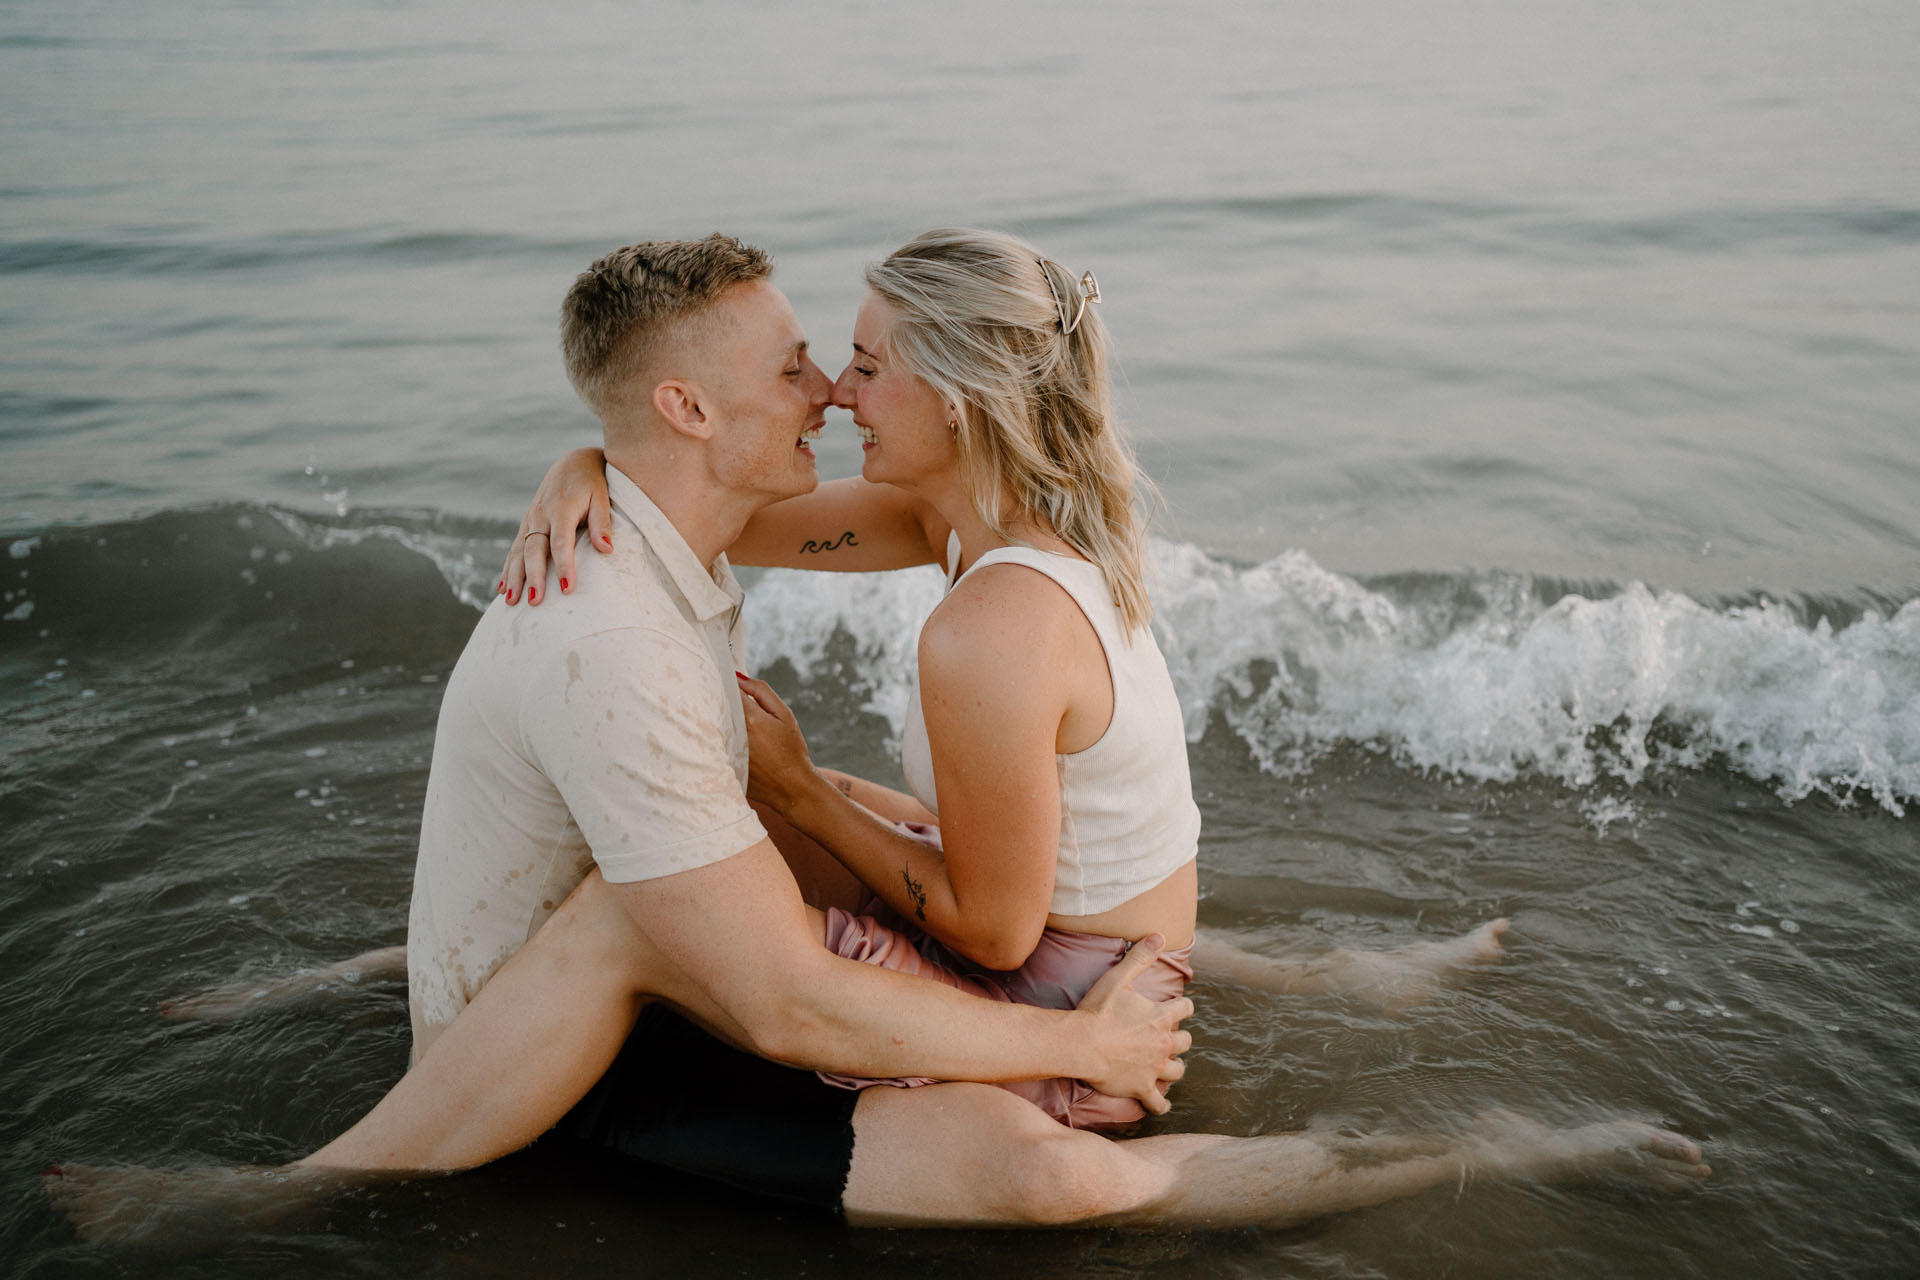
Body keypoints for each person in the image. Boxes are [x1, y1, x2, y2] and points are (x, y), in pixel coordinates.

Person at [49, 233, 1707, 1244]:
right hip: (1094, 932)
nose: (838, 391)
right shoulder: (985, 510)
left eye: (861, 365)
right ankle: (1327, 978)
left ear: (957, 399)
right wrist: (588, 461)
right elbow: (719, 505)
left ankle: (1487, 1151)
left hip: (1059, 977)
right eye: (821, 364)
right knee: (777, 805)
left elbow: (991, 924)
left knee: (784, 831)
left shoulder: (986, 620)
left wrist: (794, 793)